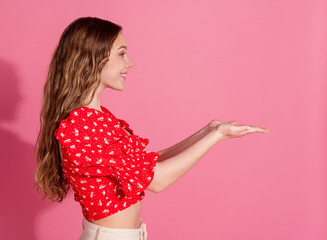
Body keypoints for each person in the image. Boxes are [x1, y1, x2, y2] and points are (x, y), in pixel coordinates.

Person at [34, 17, 269, 240]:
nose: (130, 62)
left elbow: (148, 165)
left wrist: (207, 131)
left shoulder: (98, 119)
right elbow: (157, 181)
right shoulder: (83, 125)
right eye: (122, 53)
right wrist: (216, 137)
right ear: (94, 57)